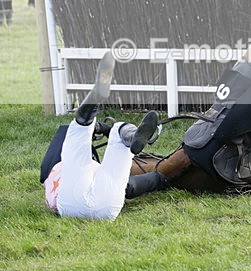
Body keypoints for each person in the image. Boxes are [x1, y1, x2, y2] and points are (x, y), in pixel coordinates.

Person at [42, 51, 166, 220]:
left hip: (73, 205)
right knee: (114, 133)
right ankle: (129, 134)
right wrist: (161, 178)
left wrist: (158, 178)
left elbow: (131, 185)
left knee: (83, 138)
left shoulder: (54, 173)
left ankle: (94, 112)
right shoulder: (63, 167)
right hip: (105, 207)